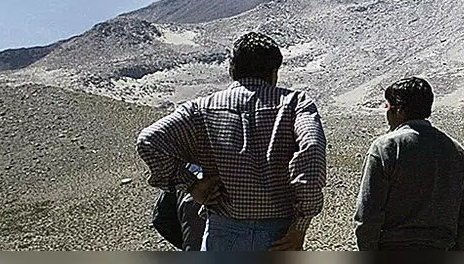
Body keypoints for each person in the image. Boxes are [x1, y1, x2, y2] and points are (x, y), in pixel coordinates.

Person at [136, 32, 327, 251]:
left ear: (232, 69)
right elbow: (311, 151)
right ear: (274, 72)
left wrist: (191, 185)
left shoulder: (202, 108)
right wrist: (300, 225)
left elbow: (148, 141)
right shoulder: (296, 103)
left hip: (223, 233)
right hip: (279, 236)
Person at [354, 76, 464, 250]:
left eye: (387, 107)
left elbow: (368, 214)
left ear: (399, 109)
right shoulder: (457, 152)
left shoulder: (386, 147)